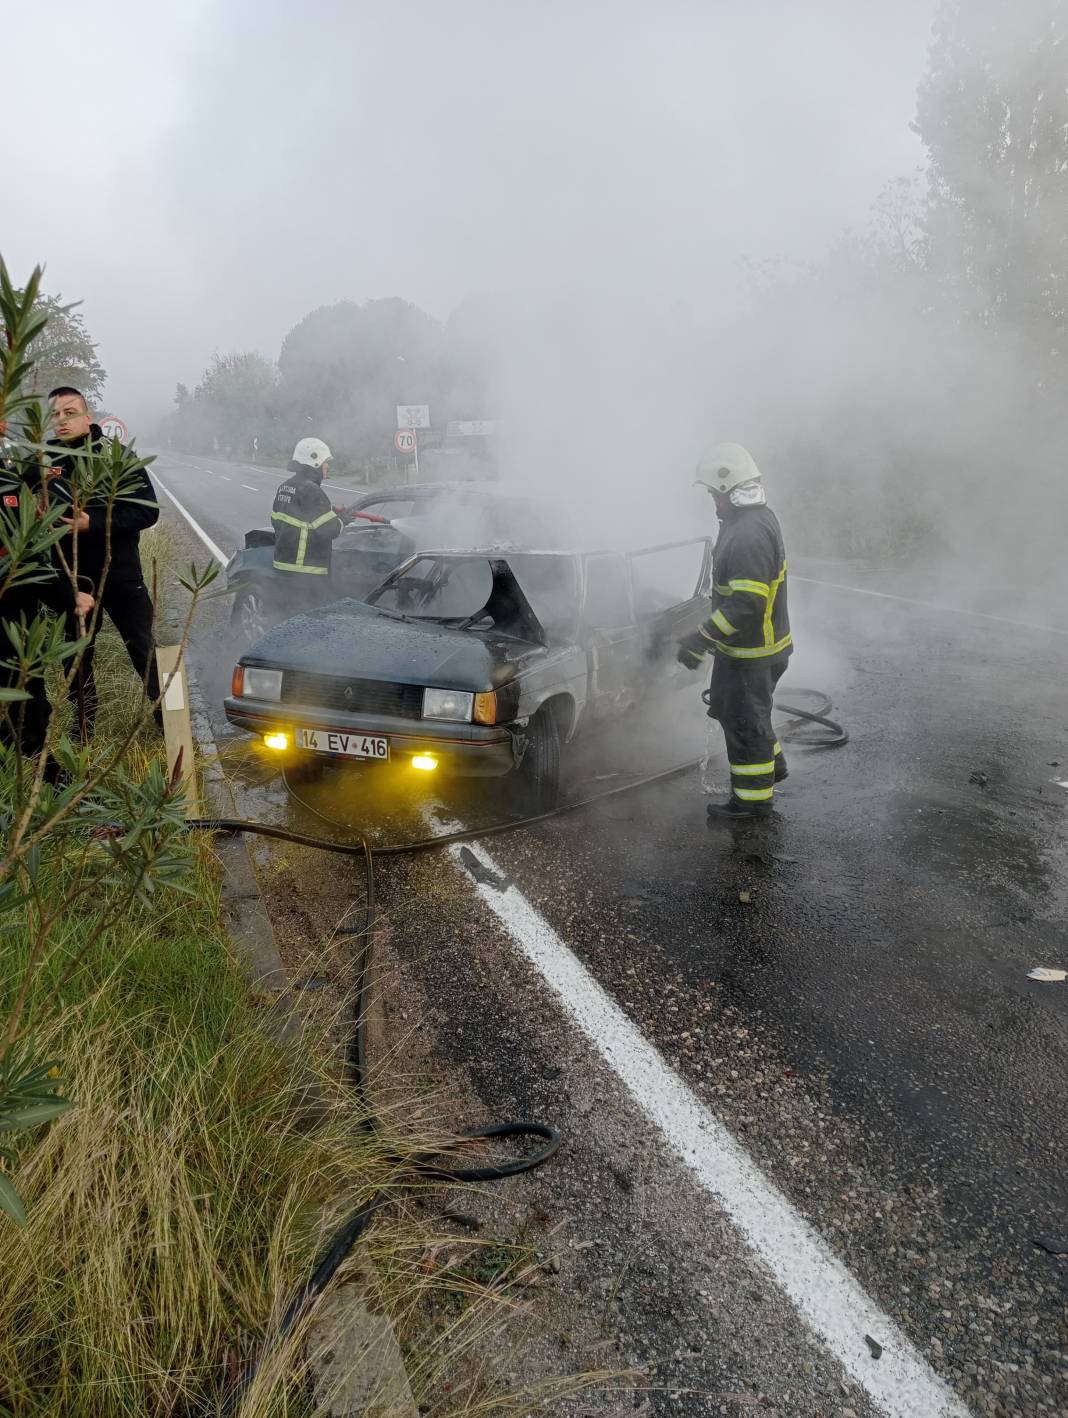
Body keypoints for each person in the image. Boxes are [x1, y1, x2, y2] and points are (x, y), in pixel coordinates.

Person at [676, 443, 793, 821]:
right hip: (749, 651)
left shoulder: (747, 536)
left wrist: (701, 637)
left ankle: (752, 805)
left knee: (745, 723)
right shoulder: (752, 520)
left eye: (714, 493)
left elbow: (746, 604)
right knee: (741, 713)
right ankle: (773, 767)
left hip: (751, 653)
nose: (712, 501)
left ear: (729, 490)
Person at [47, 387, 161, 735]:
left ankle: (171, 728)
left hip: (121, 575)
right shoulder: (49, 463)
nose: (62, 420)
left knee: (144, 653)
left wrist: (92, 523)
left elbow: (147, 511)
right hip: (74, 582)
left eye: (70, 412)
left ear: (88, 417)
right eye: (55, 414)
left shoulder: (115, 457)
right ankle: (83, 736)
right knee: (77, 661)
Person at [0, 483, 95, 777]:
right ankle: (49, 778)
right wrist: (68, 597)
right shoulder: (7, 485)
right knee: (25, 702)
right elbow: (19, 554)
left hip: (17, 618)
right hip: (10, 622)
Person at [271, 438, 349, 603]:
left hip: (283, 567)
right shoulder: (311, 490)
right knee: (308, 623)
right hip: (306, 574)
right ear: (315, 462)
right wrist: (343, 519)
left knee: (286, 618)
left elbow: (299, 518)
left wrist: (331, 511)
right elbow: (330, 529)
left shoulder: (285, 486)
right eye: (326, 462)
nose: (327, 466)